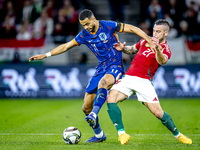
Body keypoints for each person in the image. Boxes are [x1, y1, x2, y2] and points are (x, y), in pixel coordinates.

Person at [29, 9, 154, 143]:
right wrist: (45, 55)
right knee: (86, 107)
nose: (86, 27)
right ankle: (99, 135)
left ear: (94, 18)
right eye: (83, 25)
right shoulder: (84, 35)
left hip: (115, 66)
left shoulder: (107, 25)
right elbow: (66, 46)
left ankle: (94, 114)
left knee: (103, 84)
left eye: (88, 24)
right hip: (101, 68)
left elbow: (133, 28)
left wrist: (149, 41)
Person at [105, 19, 192, 145]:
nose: (155, 34)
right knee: (110, 98)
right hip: (129, 77)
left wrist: (157, 48)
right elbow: (132, 50)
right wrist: (123, 49)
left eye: (158, 32)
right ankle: (122, 134)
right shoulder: (145, 40)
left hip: (144, 81)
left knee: (158, 113)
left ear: (166, 33)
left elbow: (162, 61)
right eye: (154, 31)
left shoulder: (165, 48)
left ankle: (178, 135)